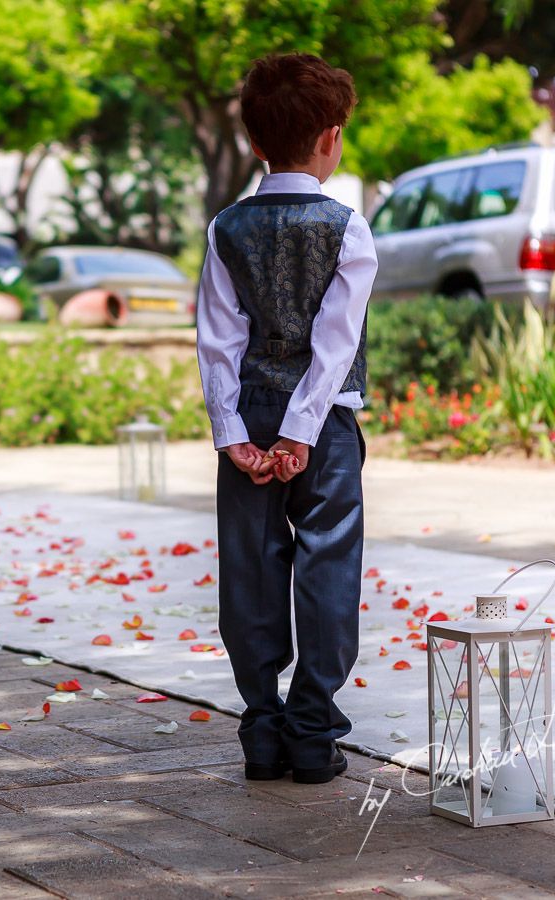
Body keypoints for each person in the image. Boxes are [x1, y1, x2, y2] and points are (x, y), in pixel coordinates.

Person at [195, 52, 377, 785]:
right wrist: (302, 431)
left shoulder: (226, 228)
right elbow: (337, 345)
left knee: (250, 573)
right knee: (326, 566)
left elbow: (218, 340)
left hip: (249, 419)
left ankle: (261, 732)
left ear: (253, 141)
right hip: (323, 428)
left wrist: (234, 435)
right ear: (330, 137)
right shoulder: (346, 229)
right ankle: (312, 732)